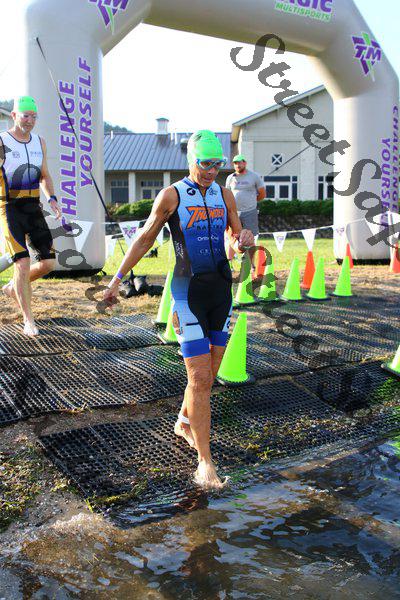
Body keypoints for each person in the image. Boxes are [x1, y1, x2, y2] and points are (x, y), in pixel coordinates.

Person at [104, 130, 254, 490]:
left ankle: (184, 423)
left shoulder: (225, 194)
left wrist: (244, 241)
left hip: (221, 293)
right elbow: (145, 238)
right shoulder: (172, 195)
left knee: (208, 376)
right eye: (206, 163)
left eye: (217, 164)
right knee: (200, 380)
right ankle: (205, 462)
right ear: (191, 161)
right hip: (187, 294)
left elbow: (236, 241)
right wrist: (116, 279)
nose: (212, 170)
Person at [0, 96, 61, 336]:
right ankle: (29, 320)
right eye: (26, 116)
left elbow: (44, 175)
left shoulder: (39, 142)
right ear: (14, 115)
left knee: (48, 263)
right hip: (9, 208)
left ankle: (13, 287)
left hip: (33, 208)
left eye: (34, 116)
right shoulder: (2, 141)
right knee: (23, 263)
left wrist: (52, 198)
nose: (30, 121)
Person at [225, 155, 265, 269]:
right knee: (232, 237)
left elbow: (262, 194)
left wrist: (251, 201)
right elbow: (227, 194)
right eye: (235, 163)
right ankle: (229, 264)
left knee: (250, 238)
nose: (237, 165)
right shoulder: (230, 178)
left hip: (250, 212)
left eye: (239, 162)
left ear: (245, 163)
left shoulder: (254, 176)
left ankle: (250, 264)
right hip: (233, 212)